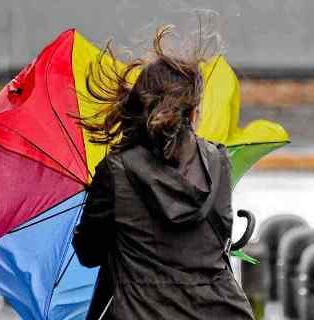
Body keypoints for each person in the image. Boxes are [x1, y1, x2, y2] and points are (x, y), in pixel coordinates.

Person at [72, 25, 255, 320]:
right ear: (193, 110)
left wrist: (98, 207)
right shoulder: (219, 161)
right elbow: (218, 240)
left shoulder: (116, 172)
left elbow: (89, 252)